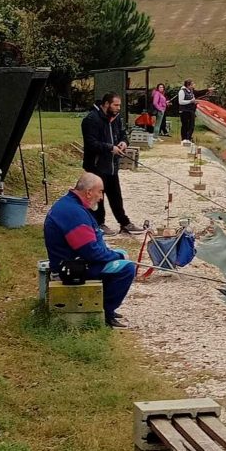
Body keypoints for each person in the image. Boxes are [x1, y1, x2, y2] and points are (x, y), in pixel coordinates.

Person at [44, 173, 136, 328]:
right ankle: (105, 311)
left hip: (76, 262)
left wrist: (114, 254)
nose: (101, 197)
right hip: (72, 269)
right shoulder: (74, 213)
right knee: (127, 268)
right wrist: (117, 255)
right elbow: (91, 252)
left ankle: (104, 305)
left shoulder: (70, 205)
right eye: (100, 192)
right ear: (88, 192)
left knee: (120, 256)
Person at [81, 92, 143, 236]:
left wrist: (124, 143)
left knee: (116, 195)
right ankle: (99, 224)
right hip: (96, 166)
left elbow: (123, 135)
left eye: (119, 105)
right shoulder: (91, 119)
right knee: (98, 197)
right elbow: (91, 144)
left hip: (112, 165)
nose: (118, 108)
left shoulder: (117, 119)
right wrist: (110, 148)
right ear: (107, 104)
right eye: (115, 105)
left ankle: (124, 223)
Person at [178, 78, 197, 145]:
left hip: (191, 110)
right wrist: (190, 101)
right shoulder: (182, 91)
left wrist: (194, 102)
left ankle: (189, 138)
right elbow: (181, 102)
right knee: (185, 125)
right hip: (184, 110)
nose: (194, 85)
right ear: (188, 85)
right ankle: (184, 139)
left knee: (191, 125)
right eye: (192, 84)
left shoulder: (191, 91)